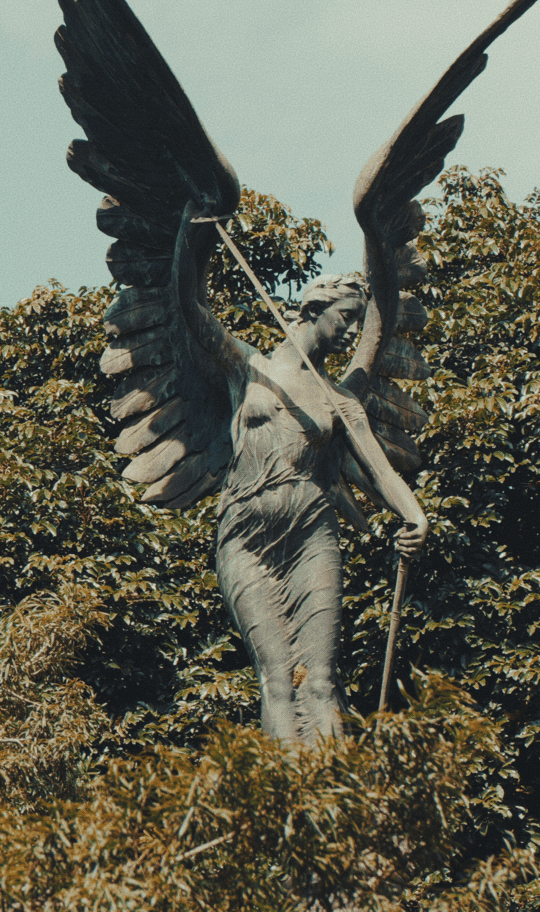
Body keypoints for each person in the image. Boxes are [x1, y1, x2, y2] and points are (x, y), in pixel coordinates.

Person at [176, 246, 430, 743]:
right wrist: (194, 226)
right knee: (276, 678)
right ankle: (285, 792)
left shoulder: (341, 398)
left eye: (358, 319)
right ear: (314, 310)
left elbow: (380, 473)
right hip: (246, 535)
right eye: (346, 317)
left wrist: (416, 517)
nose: (353, 330)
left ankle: (331, 790)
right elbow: (191, 305)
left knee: (318, 681)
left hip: (312, 529)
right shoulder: (246, 366)